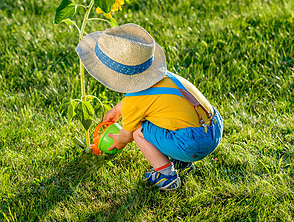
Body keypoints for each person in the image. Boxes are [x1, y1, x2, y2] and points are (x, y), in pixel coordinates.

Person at [76, 23, 223, 190]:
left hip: (193, 143)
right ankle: (182, 162)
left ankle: (166, 176)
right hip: (213, 128)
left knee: (140, 132)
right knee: (169, 119)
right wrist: (119, 109)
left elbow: (127, 135)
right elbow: (147, 100)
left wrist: (119, 141)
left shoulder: (133, 101)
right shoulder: (165, 77)